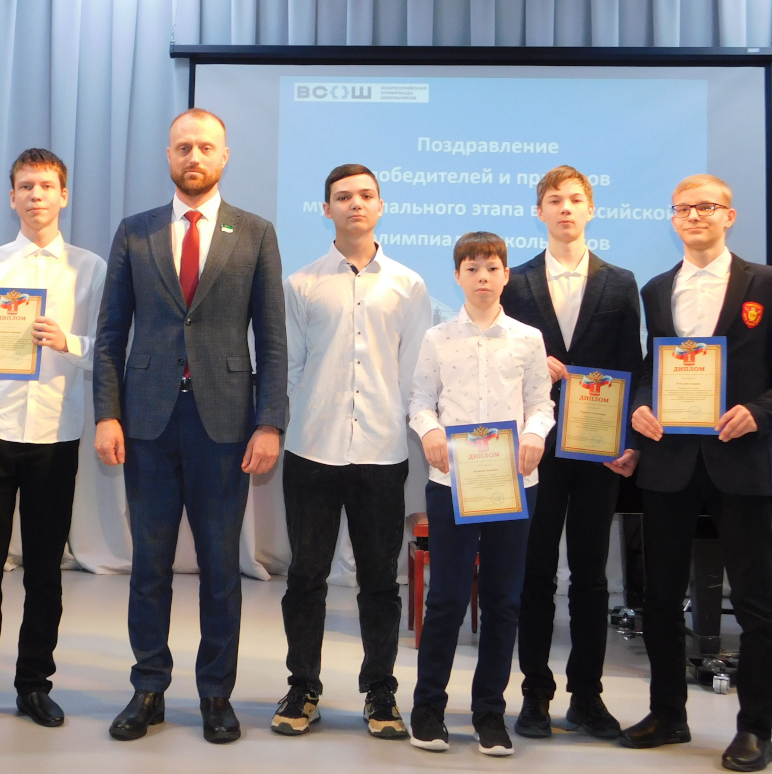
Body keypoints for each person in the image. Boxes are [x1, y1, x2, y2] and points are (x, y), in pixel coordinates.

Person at [94, 108, 287, 744]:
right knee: (149, 565)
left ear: (224, 156)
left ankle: (215, 694)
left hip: (225, 426)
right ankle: (148, 688)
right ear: (169, 156)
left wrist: (270, 422)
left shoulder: (255, 233)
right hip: (146, 423)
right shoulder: (136, 231)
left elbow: (273, 339)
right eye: (183, 147)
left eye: (205, 147)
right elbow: (110, 334)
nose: (194, 157)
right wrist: (107, 413)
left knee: (220, 568)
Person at [619, 175, 772, 772]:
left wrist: (759, 412)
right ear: (672, 218)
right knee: (660, 598)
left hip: (739, 458)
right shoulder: (658, 289)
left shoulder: (766, 284)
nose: (694, 216)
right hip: (669, 463)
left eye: (706, 207)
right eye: (683, 209)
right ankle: (667, 714)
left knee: (755, 601)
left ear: (728, 216)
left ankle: (756, 730)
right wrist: (640, 406)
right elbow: (649, 369)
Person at [0, 149, 106, 730]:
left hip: (56, 437)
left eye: (47, 186)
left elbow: (109, 351)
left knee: (44, 572)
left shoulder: (90, 269)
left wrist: (69, 342)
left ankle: (34, 684)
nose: (37, 195)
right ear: (12, 197)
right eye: (26, 186)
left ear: (64, 196)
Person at [272, 164, 431, 740]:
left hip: (382, 453)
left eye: (366, 195)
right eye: (343, 197)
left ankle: (380, 690)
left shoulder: (409, 285)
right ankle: (303, 687)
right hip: (312, 450)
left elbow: (415, 373)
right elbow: (289, 368)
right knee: (305, 577)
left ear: (380, 205)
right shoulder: (301, 284)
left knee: (380, 582)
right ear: (326, 209)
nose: (355, 204)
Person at [500, 166, 642, 740]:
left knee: (590, 575)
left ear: (590, 209)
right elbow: (499, 361)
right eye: (554, 200)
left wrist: (628, 441)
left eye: (575, 199)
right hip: (533, 449)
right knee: (534, 573)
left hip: (596, 450)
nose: (565, 208)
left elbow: (632, 366)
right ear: (539, 211)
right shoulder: (515, 281)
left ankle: (588, 695)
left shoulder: (621, 282)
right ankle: (535, 694)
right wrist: (536, 364)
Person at [408, 231, 554, 757]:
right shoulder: (437, 337)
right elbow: (421, 399)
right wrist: (429, 431)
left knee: (502, 601)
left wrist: (535, 435)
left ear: (506, 275)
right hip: (452, 485)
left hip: (513, 485)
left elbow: (541, 403)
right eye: (472, 269)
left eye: (492, 268)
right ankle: (428, 707)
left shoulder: (528, 339)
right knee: (446, 597)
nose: (483, 278)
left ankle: (490, 711)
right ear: (457, 277)